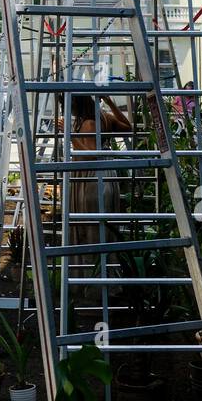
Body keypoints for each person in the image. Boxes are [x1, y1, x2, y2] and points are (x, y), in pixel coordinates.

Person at [66, 92, 131, 298]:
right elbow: (128, 127)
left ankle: (96, 286)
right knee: (104, 228)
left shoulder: (88, 124)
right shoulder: (104, 117)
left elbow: (90, 155)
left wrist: (71, 137)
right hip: (105, 175)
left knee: (92, 229)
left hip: (92, 178)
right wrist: (111, 101)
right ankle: (106, 282)